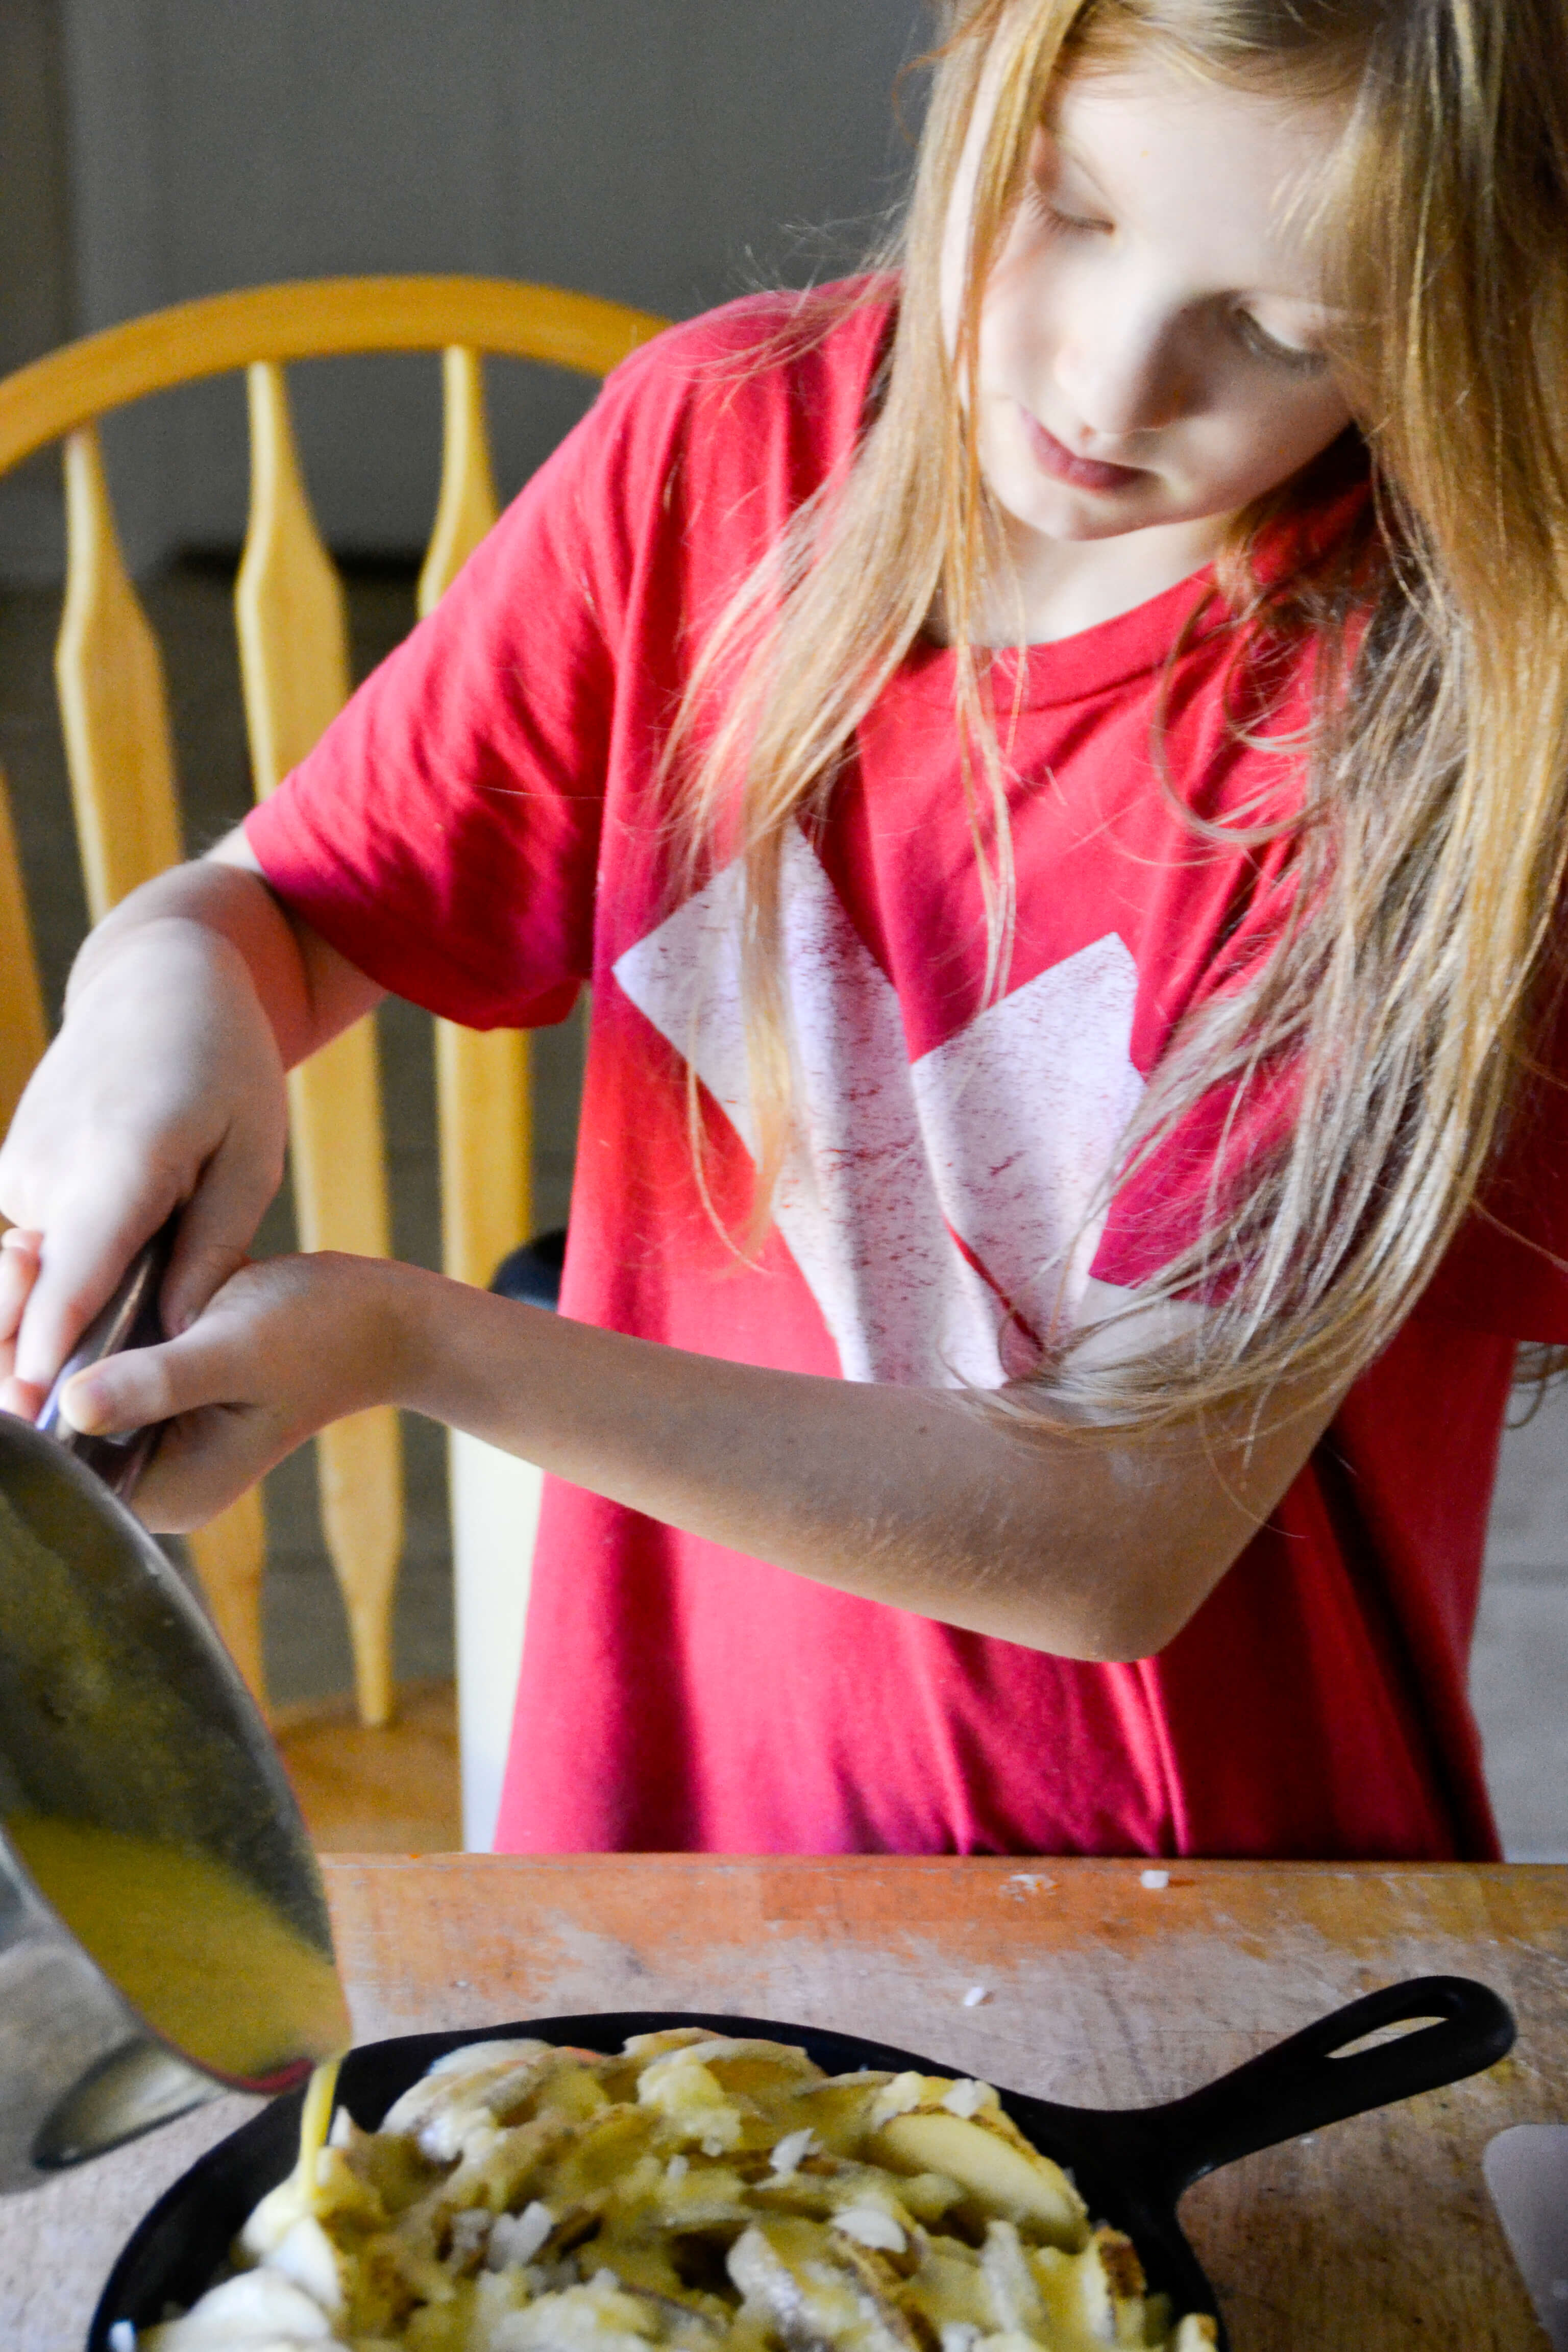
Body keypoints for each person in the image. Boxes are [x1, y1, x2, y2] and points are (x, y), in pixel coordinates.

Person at [2, 0, 1565, 1860]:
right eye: (1069, 210)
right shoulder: (714, 450)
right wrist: (168, 987)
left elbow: (1112, 1541)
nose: (1109, 387)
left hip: (1209, 1921)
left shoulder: (1453, 735)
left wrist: (426, 1349)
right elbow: (286, 912)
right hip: (675, 1840)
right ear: (980, 74)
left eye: (1283, 332)